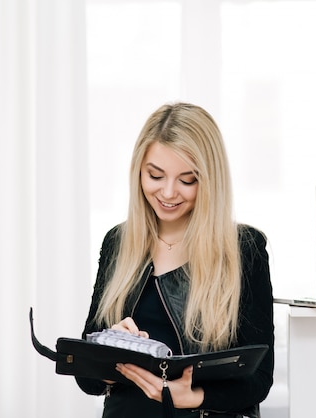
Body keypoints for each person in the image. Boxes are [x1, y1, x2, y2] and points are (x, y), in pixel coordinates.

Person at [76, 102, 274, 418]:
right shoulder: (118, 242)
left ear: (210, 180)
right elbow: (88, 380)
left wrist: (192, 396)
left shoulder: (243, 248)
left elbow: (259, 380)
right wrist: (111, 351)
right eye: (155, 175)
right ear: (138, 171)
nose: (168, 192)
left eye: (188, 180)